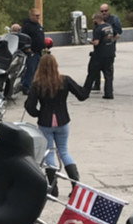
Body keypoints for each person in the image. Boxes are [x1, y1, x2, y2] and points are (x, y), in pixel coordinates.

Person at [24, 53, 91, 196]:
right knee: (64, 152)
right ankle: (75, 185)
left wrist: (38, 113)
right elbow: (82, 95)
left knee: (48, 153)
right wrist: (90, 79)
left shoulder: (37, 84)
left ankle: (53, 188)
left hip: (45, 122)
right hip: (62, 120)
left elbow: (29, 106)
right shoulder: (64, 80)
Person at [84, 11, 117, 99]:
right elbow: (115, 35)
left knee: (91, 73)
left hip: (99, 55)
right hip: (110, 53)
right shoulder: (109, 26)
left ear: (96, 19)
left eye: (93, 19)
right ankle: (109, 93)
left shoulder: (97, 29)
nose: (92, 21)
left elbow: (96, 43)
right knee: (108, 75)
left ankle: (84, 92)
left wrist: (90, 41)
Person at [19, 8, 44, 95]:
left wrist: (44, 46)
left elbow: (40, 37)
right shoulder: (27, 26)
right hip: (31, 52)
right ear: (31, 16)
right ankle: (26, 87)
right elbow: (23, 38)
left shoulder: (38, 25)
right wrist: (27, 48)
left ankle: (34, 86)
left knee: (37, 71)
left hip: (39, 51)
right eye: (36, 15)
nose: (38, 17)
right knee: (30, 70)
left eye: (39, 15)